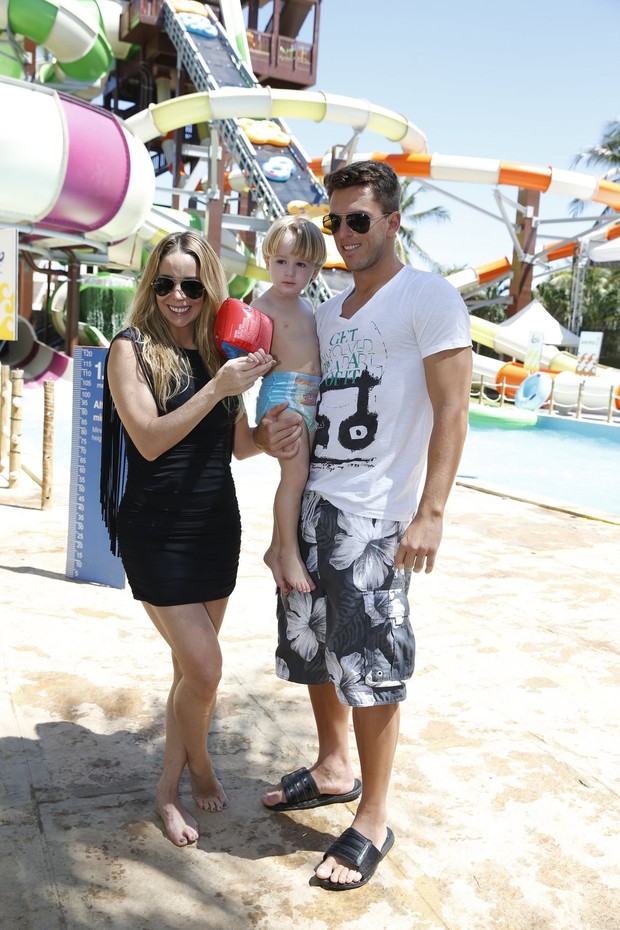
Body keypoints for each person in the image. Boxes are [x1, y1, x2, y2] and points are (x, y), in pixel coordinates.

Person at [254, 161, 473, 890]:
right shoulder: (327, 309)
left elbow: (453, 409)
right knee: (314, 647)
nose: (344, 234)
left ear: (391, 222)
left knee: (373, 669)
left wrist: (431, 514)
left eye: (359, 220)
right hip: (316, 497)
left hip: (377, 514)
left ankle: (373, 817)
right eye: (335, 222)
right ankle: (333, 765)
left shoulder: (427, 297)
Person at [100, 230, 275, 847]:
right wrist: (219, 387)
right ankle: (194, 769)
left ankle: (168, 790)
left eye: (193, 285)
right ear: (152, 284)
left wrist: (271, 431)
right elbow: (148, 438)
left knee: (188, 673)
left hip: (213, 525)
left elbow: (238, 445)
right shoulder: (131, 349)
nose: (179, 295)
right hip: (155, 530)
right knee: (206, 669)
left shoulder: (220, 349)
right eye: (167, 282)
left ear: (210, 291)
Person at [253, 214, 327, 594]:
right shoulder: (262, 306)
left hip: (310, 398)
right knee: (294, 477)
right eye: (281, 261)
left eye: (300, 265)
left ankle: (275, 547)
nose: (289, 272)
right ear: (267, 259)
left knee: (300, 478)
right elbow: (246, 352)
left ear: (314, 271)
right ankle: (288, 553)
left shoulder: (307, 308)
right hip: (283, 396)